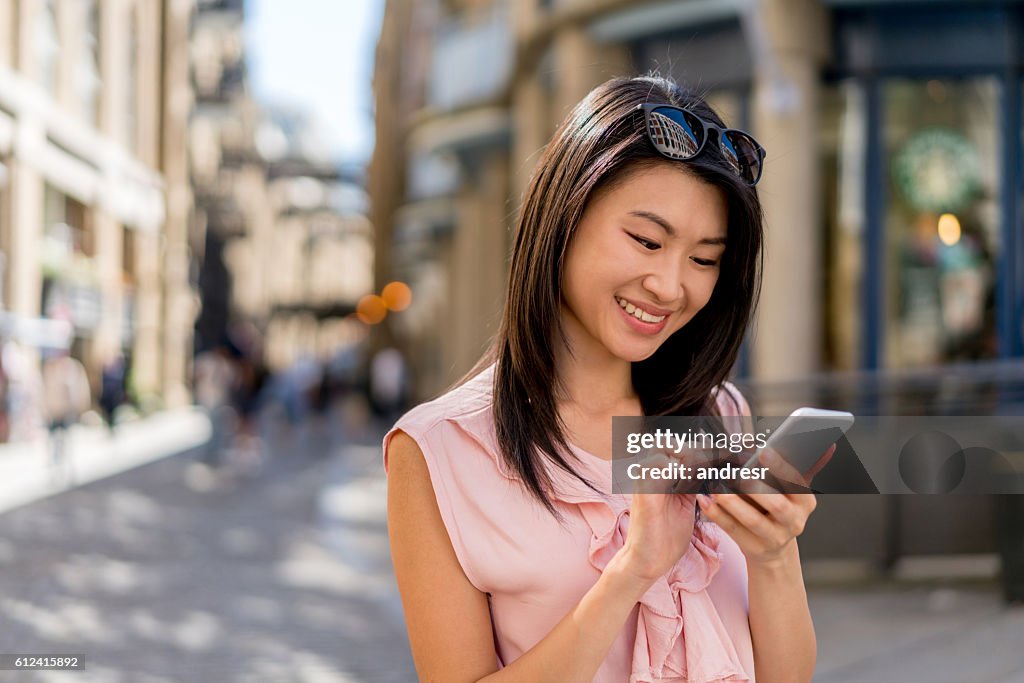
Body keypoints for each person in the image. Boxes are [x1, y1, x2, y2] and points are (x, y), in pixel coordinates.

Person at [383, 75, 832, 682]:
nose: (671, 286)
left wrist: (776, 557)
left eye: (704, 259)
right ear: (563, 218)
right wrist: (631, 574)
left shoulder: (719, 413)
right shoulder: (438, 451)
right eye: (647, 240)